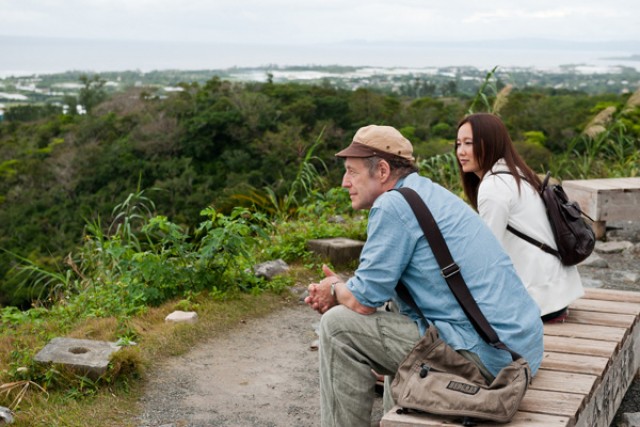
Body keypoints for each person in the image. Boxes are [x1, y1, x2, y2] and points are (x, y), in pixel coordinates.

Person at [305, 124, 544, 427]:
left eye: (352, 172)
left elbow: (363, 302)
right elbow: (375, 290)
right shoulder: (426, 193)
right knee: (397, 316)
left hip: (492, 361)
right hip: (520, 347)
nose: (344, 182)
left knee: (337, 328)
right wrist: (346, 289)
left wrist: (334, 289)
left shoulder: (392, 205)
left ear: (381, 170)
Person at [455, 112, 584, 322]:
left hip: (537, 302)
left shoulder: (493, 187)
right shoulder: (516, 173)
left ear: (490, 144)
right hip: (556, 294)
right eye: (458, 143)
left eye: (468, 143)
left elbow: (486, 255)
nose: (461, 151)